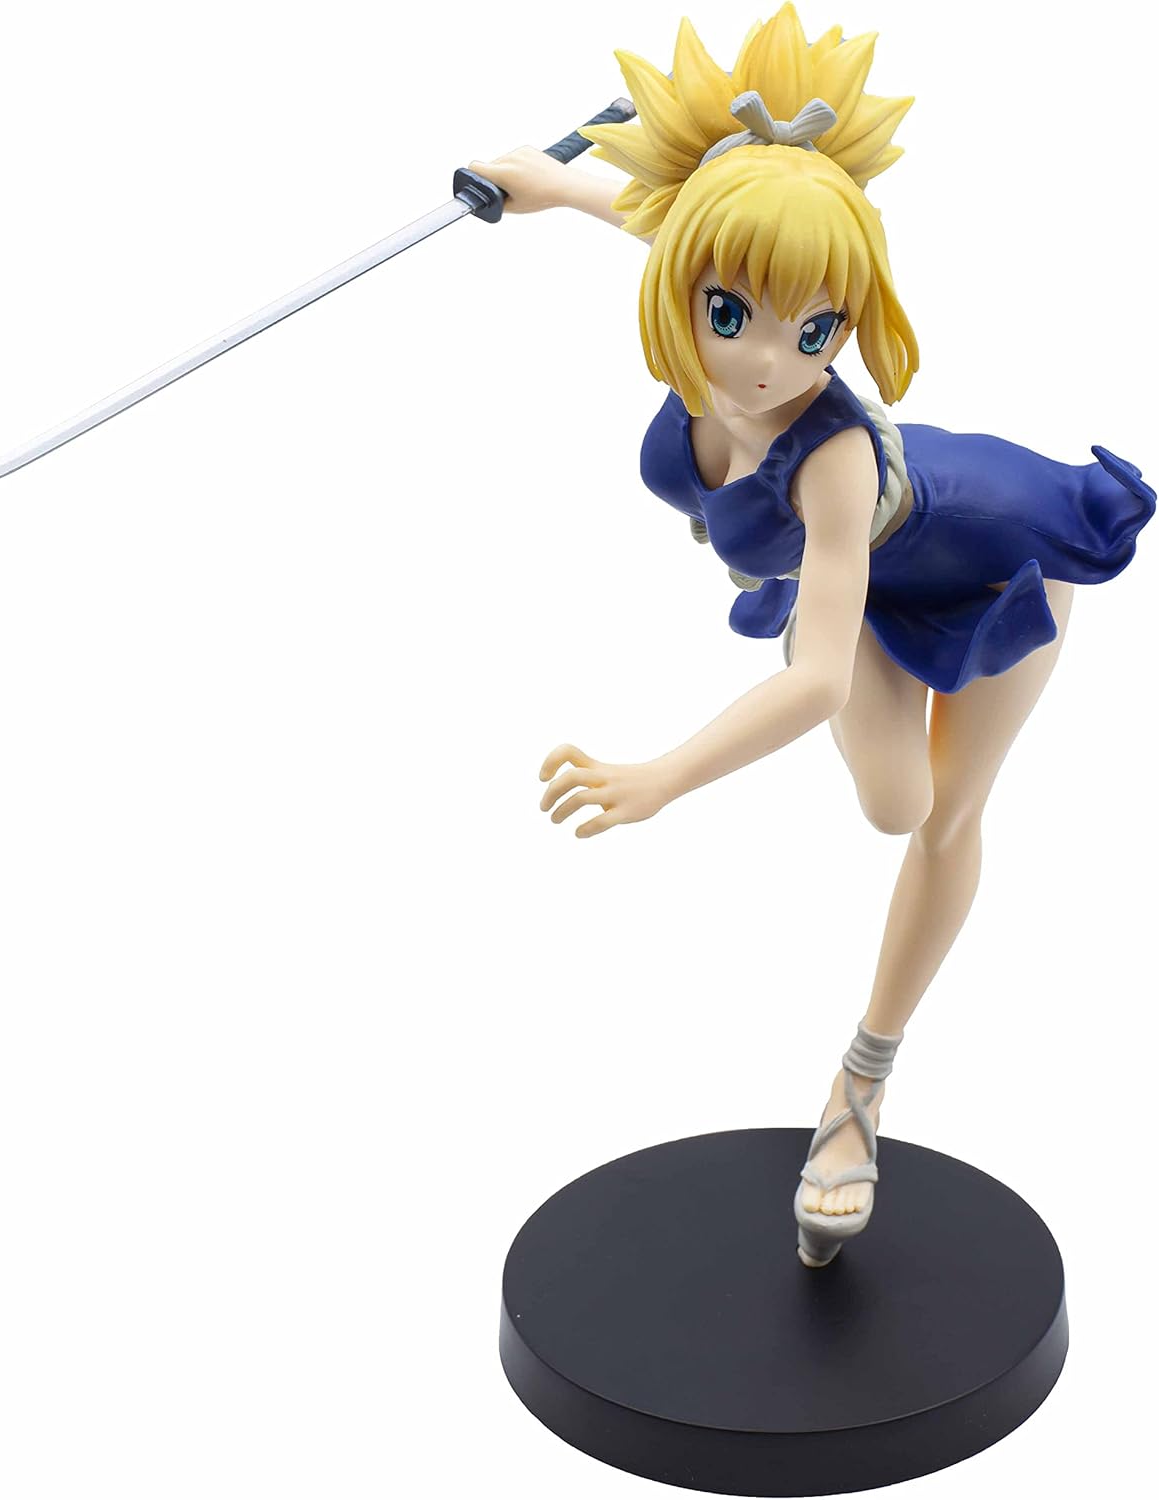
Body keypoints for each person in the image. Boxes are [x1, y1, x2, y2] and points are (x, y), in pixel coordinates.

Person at [467, 4, 1155, 1268]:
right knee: (890, 795)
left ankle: (859, 1087)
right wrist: (544, 186)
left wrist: (662, 774)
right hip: (858, 581)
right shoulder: (696, 306)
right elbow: (659, 222)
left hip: (994, 558)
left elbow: (821, 680)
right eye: (733, 314)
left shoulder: (829, 455)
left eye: (817, 329)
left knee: (922, 816)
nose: (768, 362)